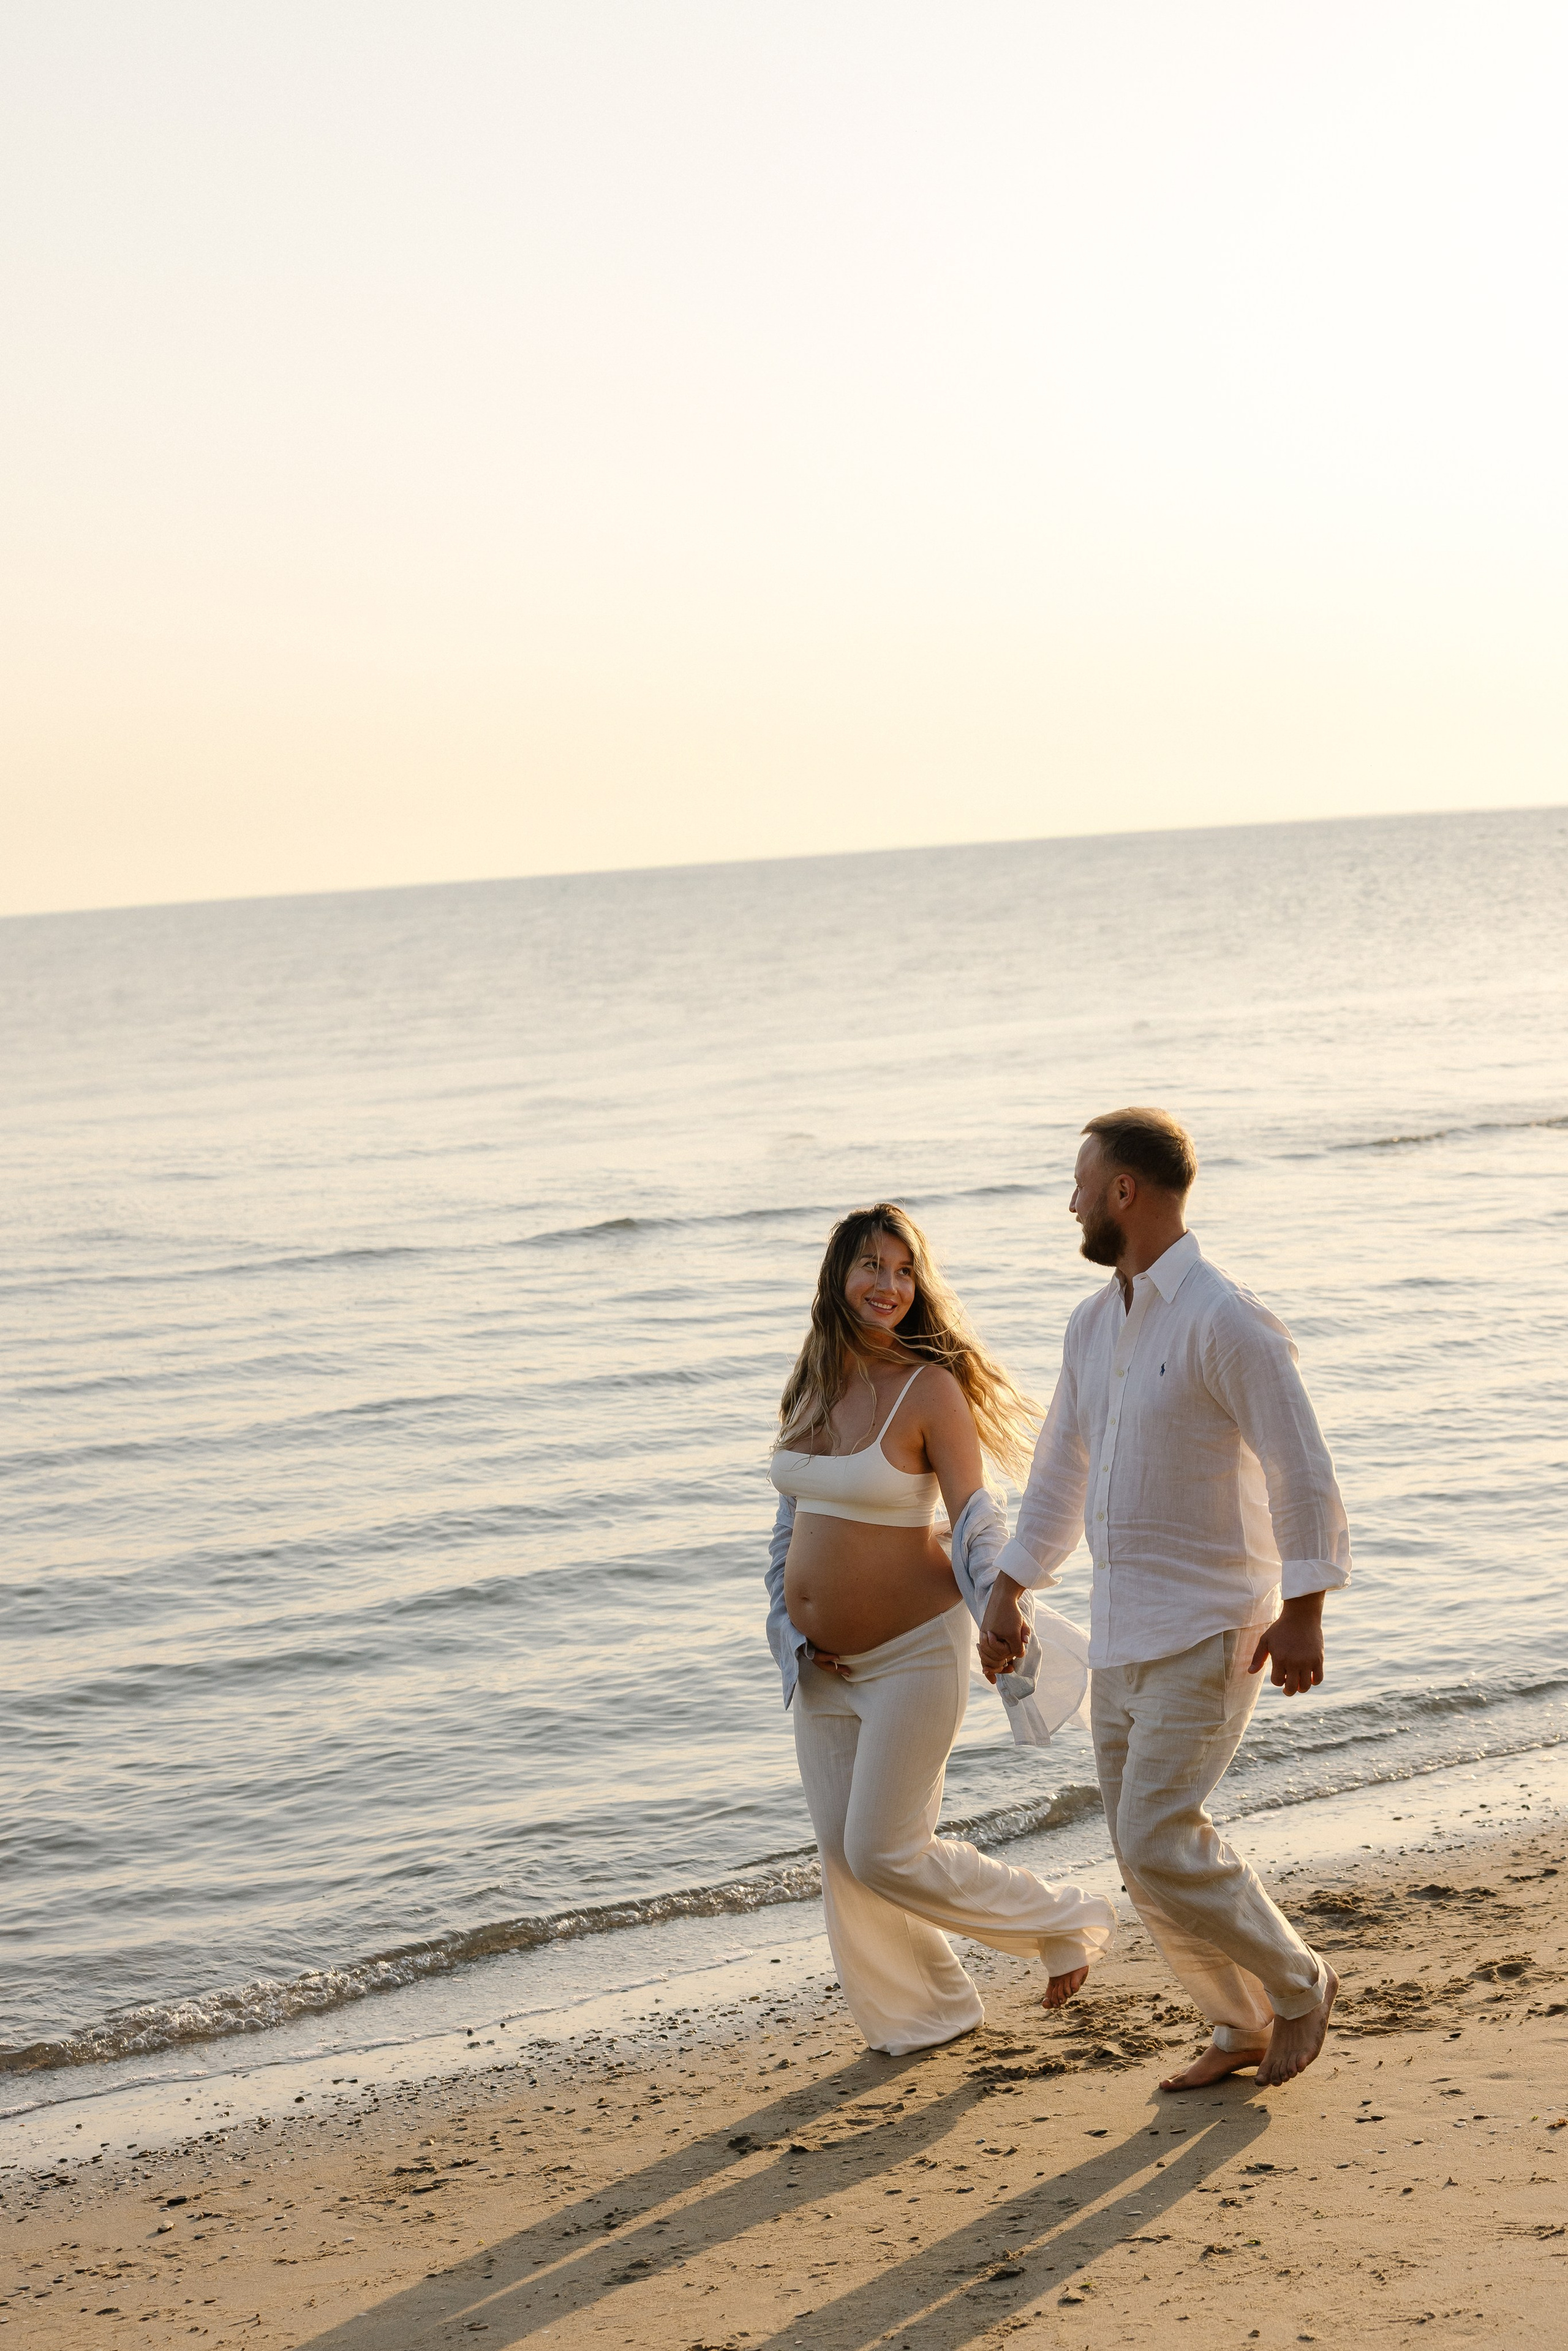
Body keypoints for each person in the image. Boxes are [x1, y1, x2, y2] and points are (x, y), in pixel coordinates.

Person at [980, 1108, 1351, 2091]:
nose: (1071, 1201)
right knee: (1142, 1855)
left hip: (1213, 1623)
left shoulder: (1226, 1319)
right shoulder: (1093, 1323)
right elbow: (1061, 1469)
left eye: (1080, 1181)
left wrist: (1306, 1604)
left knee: (1156, 1829)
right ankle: (1236, 2024)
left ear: (1124, 1192)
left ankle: (1300, 1979)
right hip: (1121, 1633)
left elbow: (1299, 1466)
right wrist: (1011, 1585)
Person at [764, 1203, 1115, 2057]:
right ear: (836, 1275)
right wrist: (786, 1623)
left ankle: (1064, 1917)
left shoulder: (928, 1388)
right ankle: (924, 2017)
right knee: (846, 1861)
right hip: (819, 1665)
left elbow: (975, 1516)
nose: (887, 1285)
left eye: (903, 1269)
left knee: (885, 1847)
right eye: (870, 1267)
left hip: (913, 1654)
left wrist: (1001, 1600)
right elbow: (789, 1524)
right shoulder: (811, 1382)